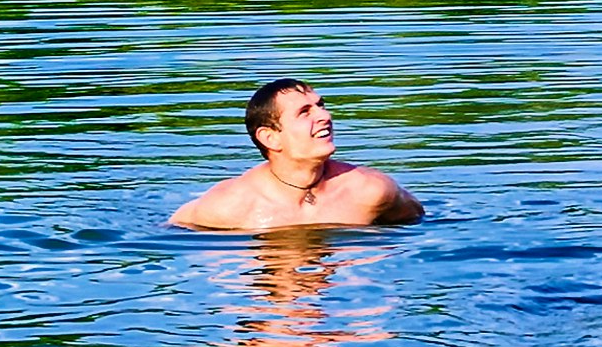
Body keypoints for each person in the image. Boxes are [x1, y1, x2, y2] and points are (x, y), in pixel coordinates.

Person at [170, 78, 424, 232]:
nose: (325, 116)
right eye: (305, 112)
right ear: (270, 137)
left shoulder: (370, 191)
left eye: (320, 106)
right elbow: (170, 236)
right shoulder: (231, 206)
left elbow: (419, 223)